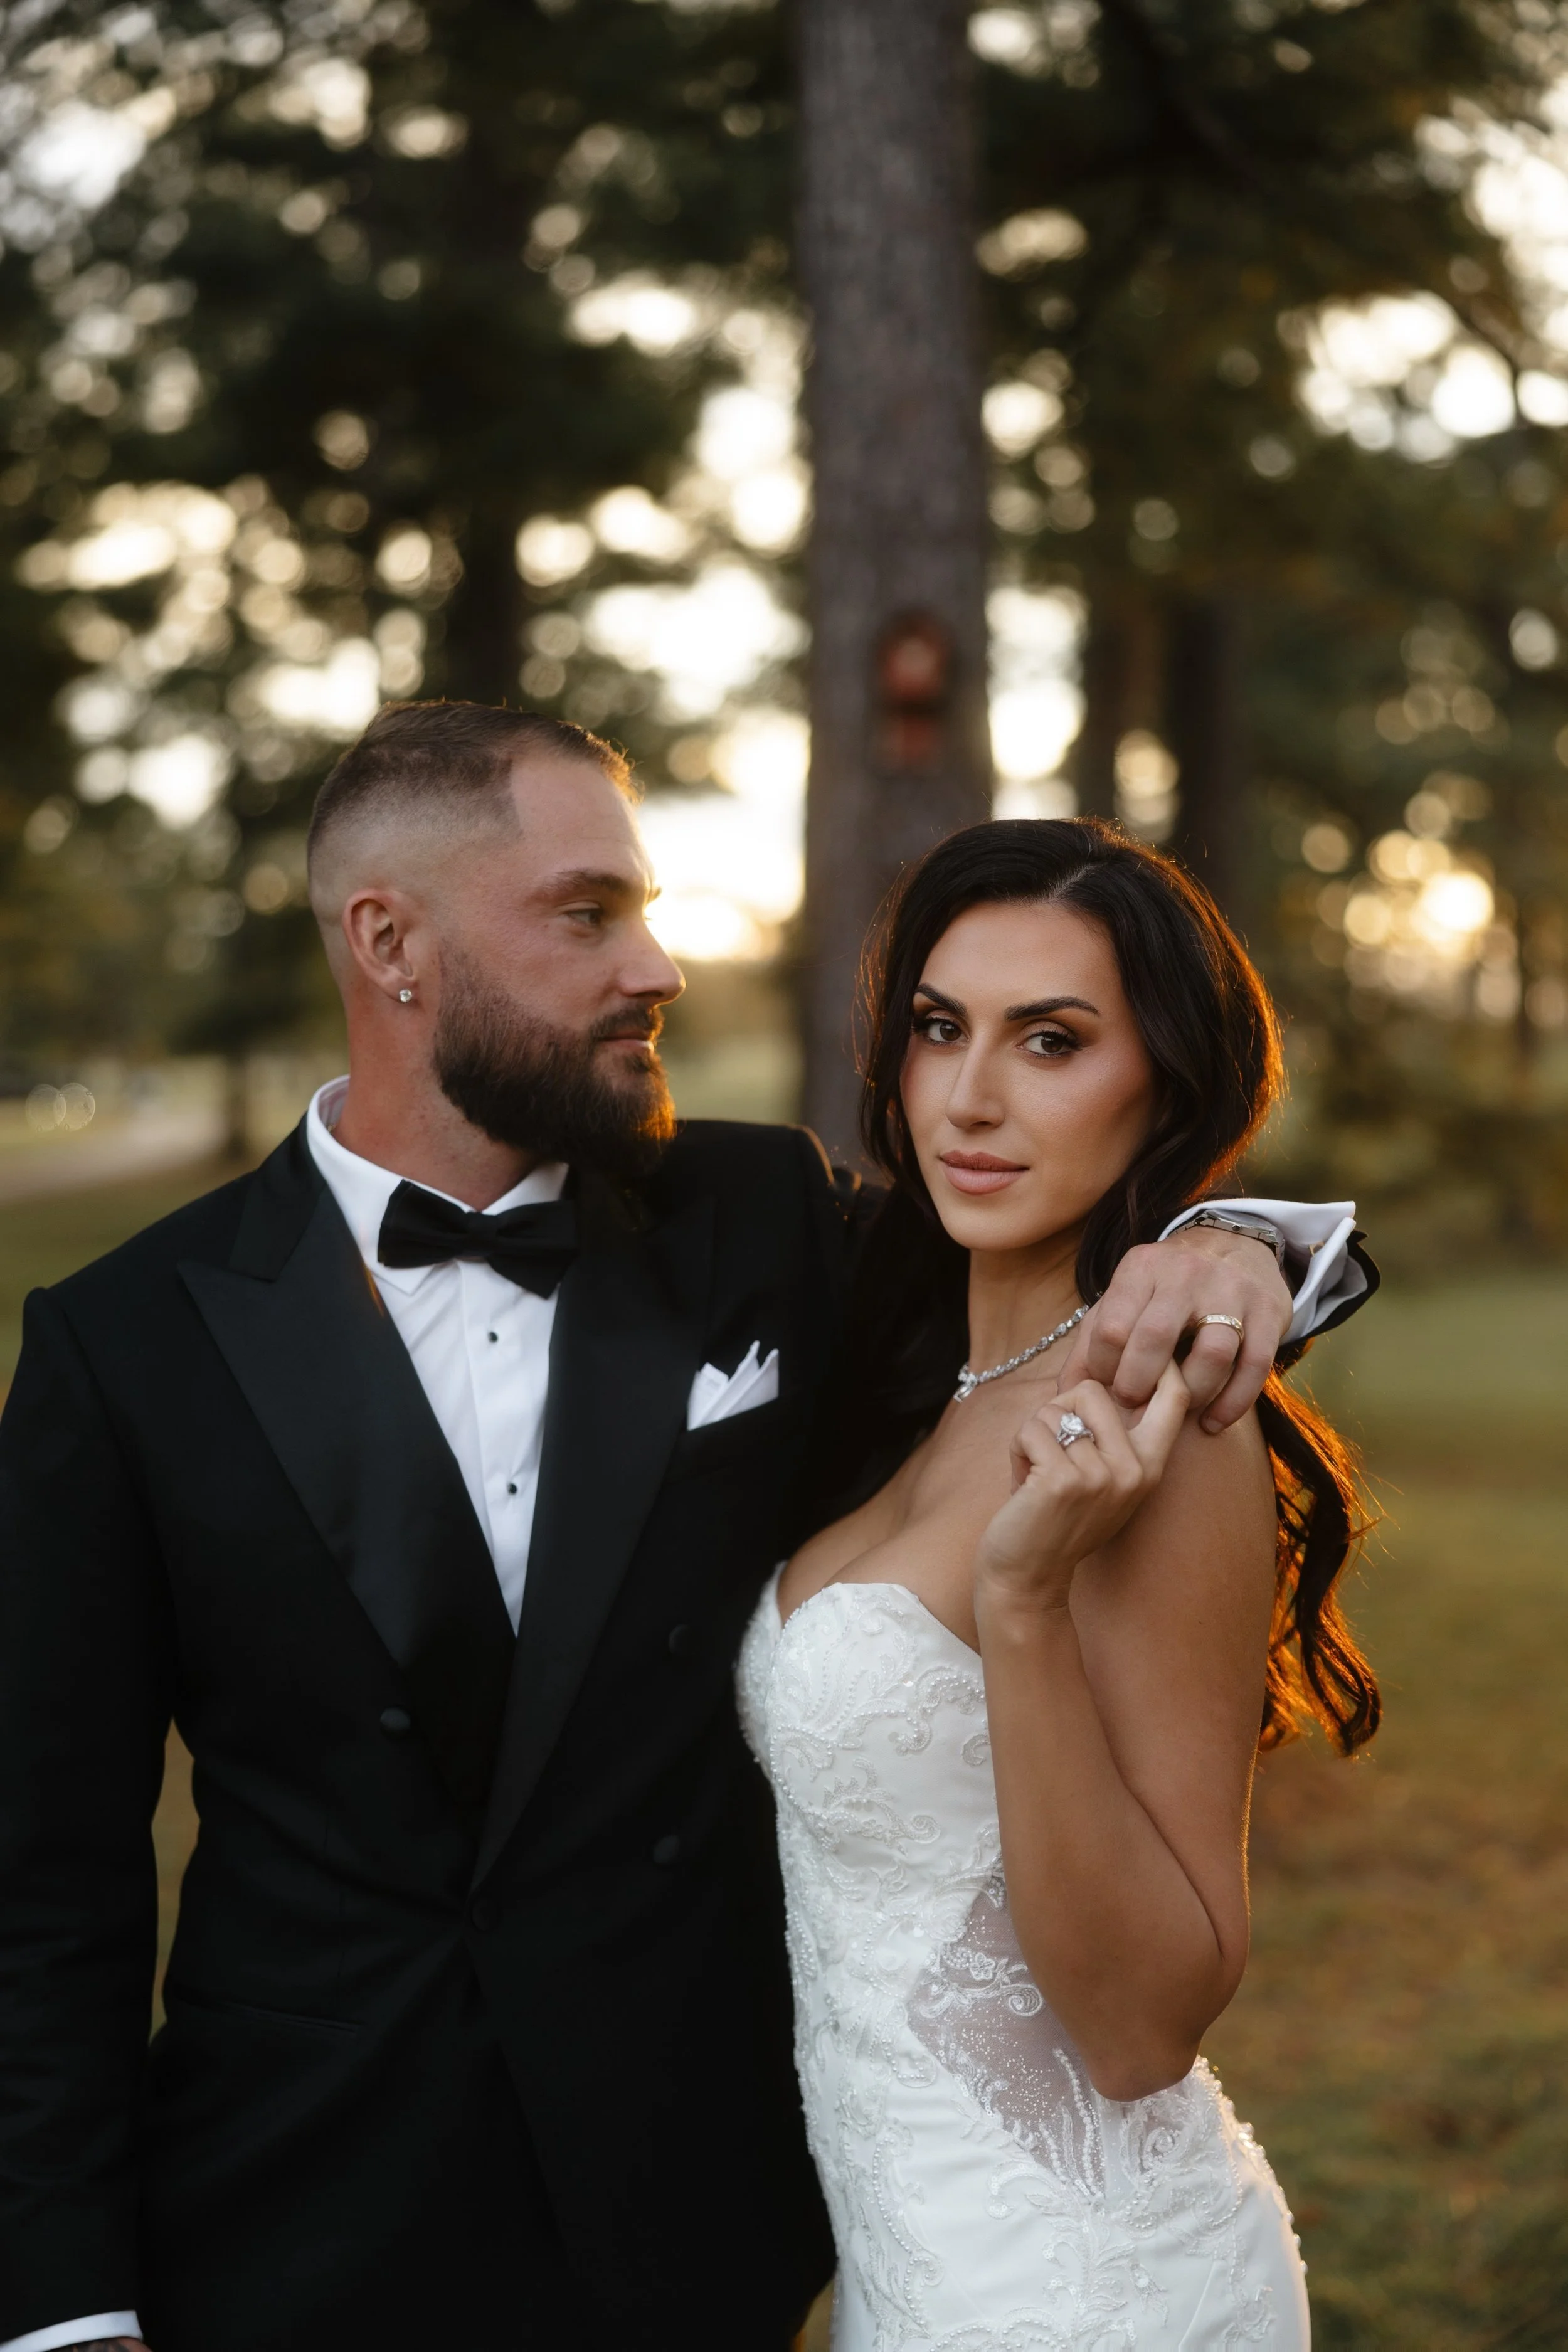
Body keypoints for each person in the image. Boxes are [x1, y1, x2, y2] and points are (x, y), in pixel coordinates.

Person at [0, 709, 1369, 2352]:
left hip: (698, 2240)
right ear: (391, 942)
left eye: (646, 908)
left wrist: (1241, 1241)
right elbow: (47, 1881)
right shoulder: (125, 1339)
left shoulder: (757, 1222)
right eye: (588, 915)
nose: (657, 965)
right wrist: (66, 2308)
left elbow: (1058, 1273)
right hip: (299, 2225)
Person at [742, 818, 1381, 2351]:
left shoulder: (1164, 1425)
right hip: (912, 2275)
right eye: (937, 1028)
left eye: (1050, 1041)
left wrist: (1022, 1608)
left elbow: (1145, 2025)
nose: (970, 1097)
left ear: (1162, 1077)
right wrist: (1241, 1239)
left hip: (1089, 2295)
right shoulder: (905, 1363)